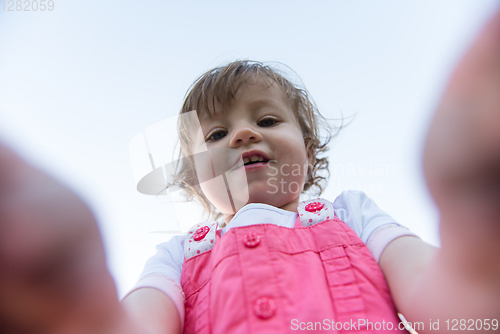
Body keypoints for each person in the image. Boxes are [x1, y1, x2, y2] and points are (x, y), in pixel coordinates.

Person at [1, 8, 499, 334]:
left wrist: (479, 260)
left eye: (265, 120)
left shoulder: (354, 216)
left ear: (306, 146)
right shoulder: (179, 255)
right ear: (197, 178)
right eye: (216, 135)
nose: (242, 135)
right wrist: (77, 309)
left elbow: (440, 295)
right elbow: (139, 321)